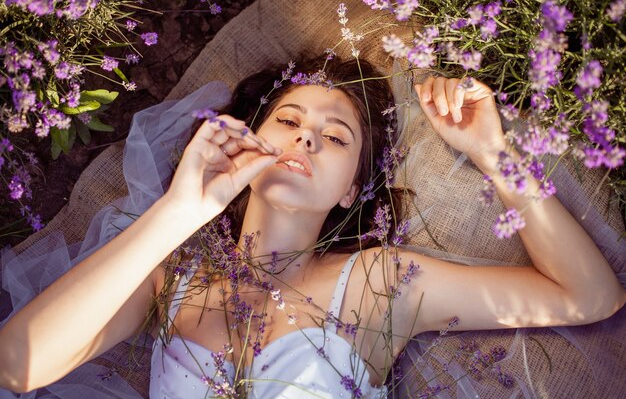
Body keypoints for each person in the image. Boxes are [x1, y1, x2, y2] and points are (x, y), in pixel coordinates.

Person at [0, 57, 624, 399]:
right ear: (250, 138)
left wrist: (492, 154)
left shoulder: (380, 283)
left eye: (334, 136)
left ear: (353, 186)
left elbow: (589, 296)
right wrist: (180, 214)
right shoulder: (172, 275)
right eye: (288, 119)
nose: (305, 136)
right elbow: (16, 365)